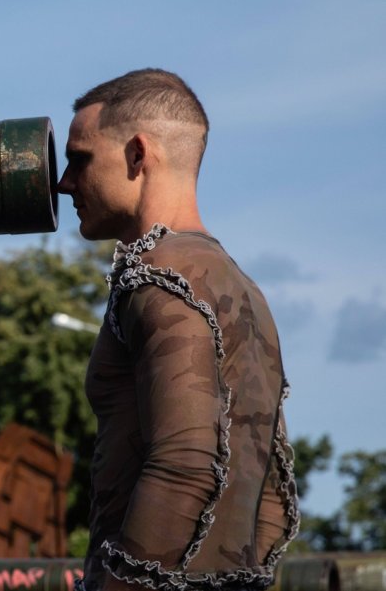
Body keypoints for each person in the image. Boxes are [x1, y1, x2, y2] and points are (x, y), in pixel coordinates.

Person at [55, 69, 299, 591]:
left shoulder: (159, 277)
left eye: (80, 159)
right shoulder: (244, 289)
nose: (64, 182)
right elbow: (274, 498)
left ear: (138, 155)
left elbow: (186, 463)